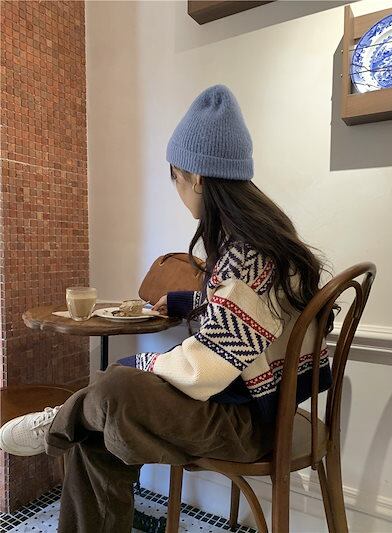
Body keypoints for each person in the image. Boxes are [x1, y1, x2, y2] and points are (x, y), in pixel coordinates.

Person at [0, 84, 334, 532]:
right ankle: (76, 420)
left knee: (116, 387)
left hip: (251, 424)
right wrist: (186, 301)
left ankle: (59, 423)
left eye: (175, 176)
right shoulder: (263, 242)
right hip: (260, 407)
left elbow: (207, 367)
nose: (176, 187)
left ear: (197, 177)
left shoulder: (248, 253)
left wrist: (137, 364)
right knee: (99, 431)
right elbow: (250, 318)